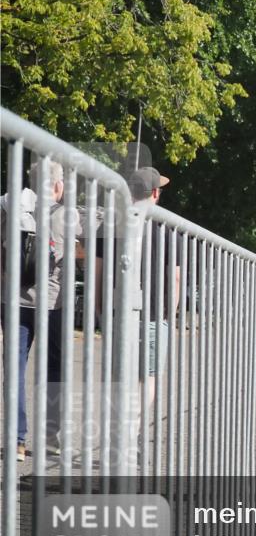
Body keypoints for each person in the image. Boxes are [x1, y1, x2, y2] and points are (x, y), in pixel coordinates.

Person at [95, 167, 180, 468]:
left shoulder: (111, 223)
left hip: (118, 311)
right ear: (155, 193)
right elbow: (176, 276)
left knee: (121, 378)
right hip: (155, 313)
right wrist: (171, 311)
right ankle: (135, 435)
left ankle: (118, 436)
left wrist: (101, 308)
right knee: (149, 377)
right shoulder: (167, 227)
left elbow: (98, 271)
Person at [1, 160, 77, 462]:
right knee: (55, 370)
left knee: (15, 370)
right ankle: (49, 439)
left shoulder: (9, 208)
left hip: (13, 300)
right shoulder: (65, 216)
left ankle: (17, 440)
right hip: (53, 303)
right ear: (57, 186)